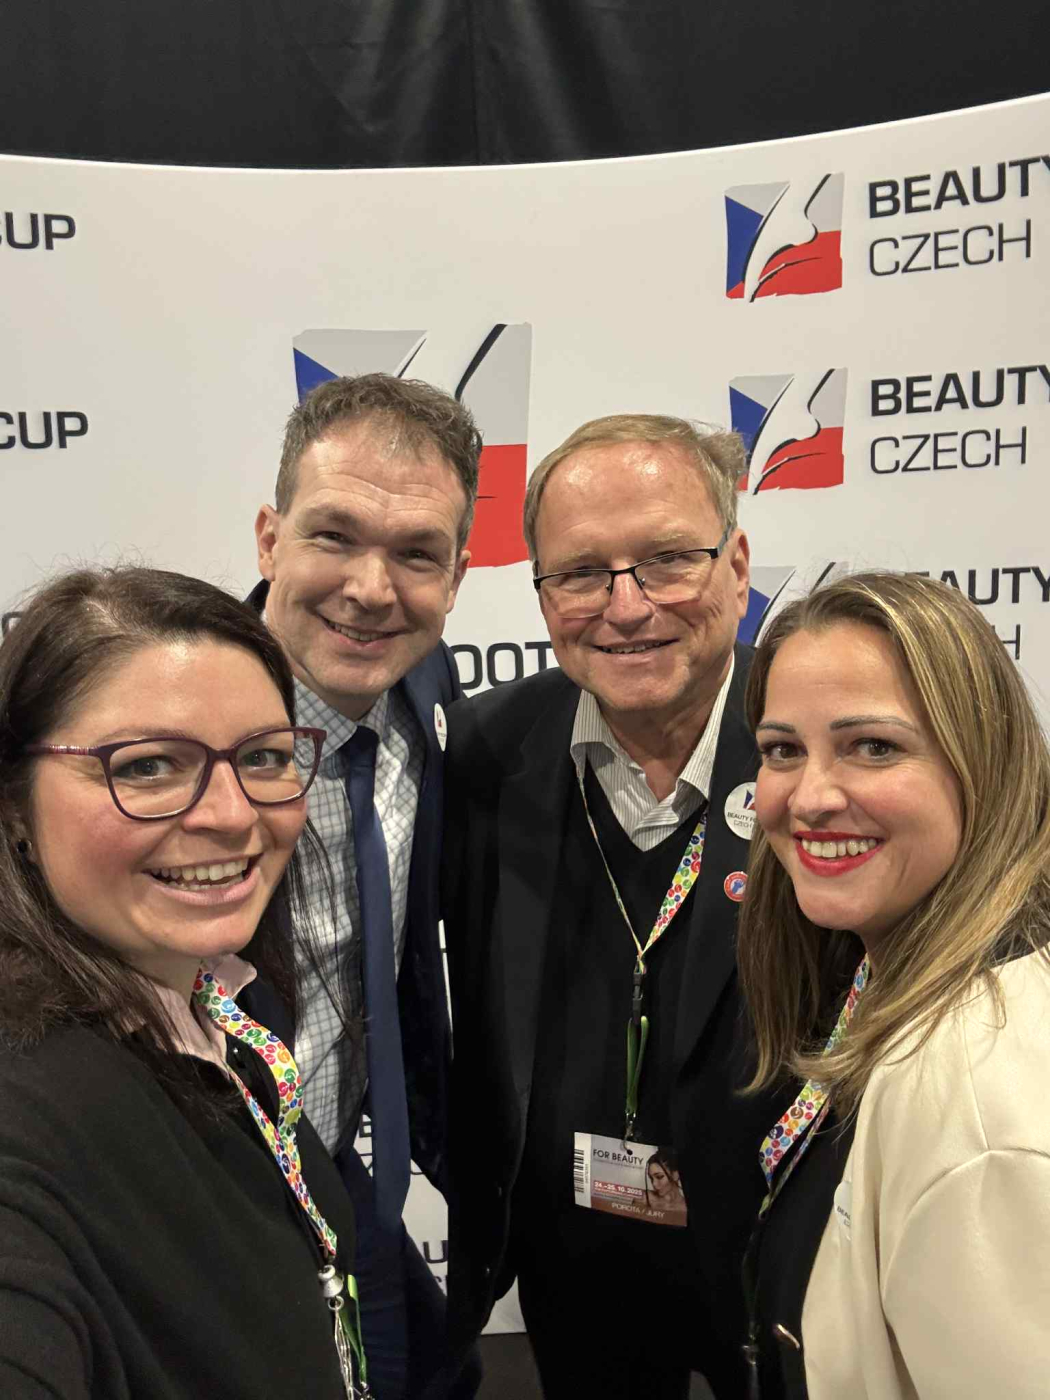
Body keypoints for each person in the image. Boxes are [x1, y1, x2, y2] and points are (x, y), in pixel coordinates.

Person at [443, 413, 791, 1398]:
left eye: (669, 560)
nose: (627, 607)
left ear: (738, 566)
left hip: (778, 1252)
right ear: (542, 592)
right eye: (582, 573)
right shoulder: (484, 748)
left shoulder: (818, 745)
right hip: (572, 1258)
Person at [0, 565, 367, 1399]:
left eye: (263, 756)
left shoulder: (209, 1010)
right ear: (15, 803)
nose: (232, 814)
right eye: (148, 767)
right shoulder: (24, 1109)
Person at [738, 570, 1050, 1399]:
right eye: (783, 751)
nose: (810, 798)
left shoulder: (978, 1100)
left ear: (983, 759)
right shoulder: (883, 969)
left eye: (873, 747)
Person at [252, 372, 480, 1399]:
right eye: (335, 535)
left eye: (416, 554)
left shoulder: (425, 684)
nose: (372, 588)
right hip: (211, 1187)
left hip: (345, 1168)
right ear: (270, 539)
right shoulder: (167, 719)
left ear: (457, 575)